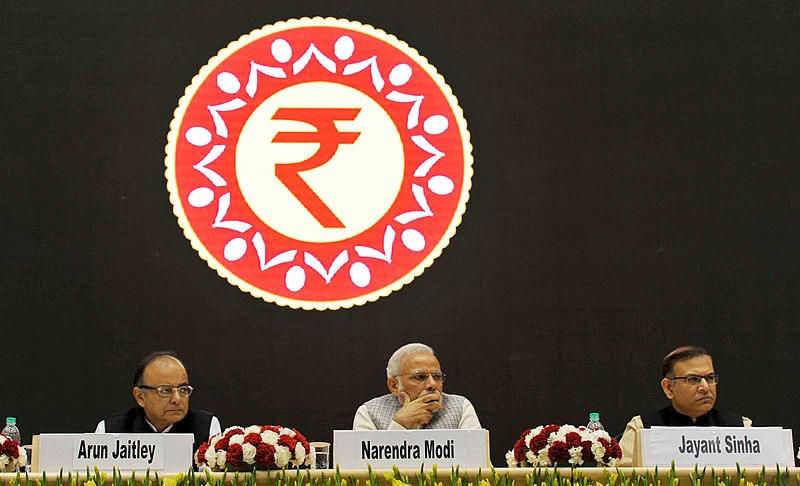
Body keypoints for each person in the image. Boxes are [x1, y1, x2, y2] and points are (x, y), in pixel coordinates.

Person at [619, 345, 751, 465]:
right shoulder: (642, 429)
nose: (705, 387)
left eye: (710, 378)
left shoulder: (741, 428)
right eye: (693, 379)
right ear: (669, 388)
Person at [95, 351, 221, 452]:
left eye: (183, 390)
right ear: (140, 396)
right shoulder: (109, 430)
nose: (177, 399)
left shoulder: (206, 427)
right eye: (166, 390)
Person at [353, 343, 481, 430]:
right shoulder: (369, 412)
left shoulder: (460, 406)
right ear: (394, 385)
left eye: (437, 377)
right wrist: (400, 424)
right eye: (419, 377)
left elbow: (479, 465)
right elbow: (363, 468)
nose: (432, 384)